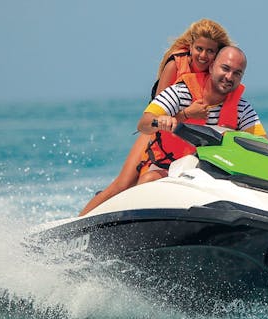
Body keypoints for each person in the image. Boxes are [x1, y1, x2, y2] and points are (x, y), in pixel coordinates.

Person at [79, 19, 233, 216]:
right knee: (122, 184)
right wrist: (188, 114)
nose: (203, 56)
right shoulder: (175, 66)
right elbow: (160, 115)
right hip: (155, 134)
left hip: (183, 142)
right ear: (191, 45)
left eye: (210, 51)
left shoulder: (219, 75)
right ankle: (75, 225)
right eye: (199, 48)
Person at [136, 46, 268, 184]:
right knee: (147, 179)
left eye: (237, 73)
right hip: (170, 169)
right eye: (225, 68)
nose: (229, 77)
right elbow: (143, 124)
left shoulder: (242, 108)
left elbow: (262, 141)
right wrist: (161, 119)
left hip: (212, 177)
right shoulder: (180, 93)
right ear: (211, 67)